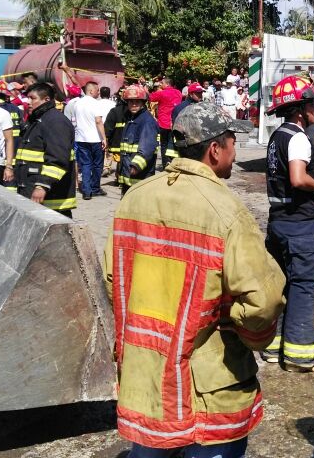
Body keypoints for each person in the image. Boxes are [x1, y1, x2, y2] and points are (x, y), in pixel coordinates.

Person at [105, 101, 285, 458]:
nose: (235, 153)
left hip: (148, 378)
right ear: (215, 149)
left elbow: (114, 280)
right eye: (233, 142)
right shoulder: (226, 211)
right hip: (208, 385)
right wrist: (246, 334)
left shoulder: (134, 198)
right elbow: (263, 301)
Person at [262, 75, 314, 372]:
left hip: (279, 222)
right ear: (300, 109)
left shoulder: (277, 136)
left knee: (281, 284)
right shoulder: (297, 137)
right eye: (311, 104)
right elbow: (297, 178)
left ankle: (273, 347)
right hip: (300, 224)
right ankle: (300, 355)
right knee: (304, 286)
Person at [15, 82, 77, 216]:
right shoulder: (38, 119)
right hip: (32, 190)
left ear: (46, 100)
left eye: (33, 98)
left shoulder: (55, 121)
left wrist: (42, 185)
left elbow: (58, 159)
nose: (28, 102)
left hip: (50, 196)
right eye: (28, 98)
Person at [116, 85, 159, 194]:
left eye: (137, 102)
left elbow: (147, 148)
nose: (133, 104)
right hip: (128, 174)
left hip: (140, 176)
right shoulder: (131, 118)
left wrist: (136, 166)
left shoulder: (146, 121)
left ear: (143, 102)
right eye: (131, 102)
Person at [72, 81, 108, 200]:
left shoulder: (77, 104)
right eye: (97, 90)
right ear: (91, 91)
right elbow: (98, 121)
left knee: (86, 164)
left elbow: (74, 121)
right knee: (97, 165)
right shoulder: (95, 104)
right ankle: (95, 188)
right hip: (95, 139)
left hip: (81, 139)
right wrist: (104, 138)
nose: (98, 92)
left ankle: (87, 191)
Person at [149, 77, 183, 164]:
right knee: (173, 144)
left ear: (167, 84)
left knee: (164, 144)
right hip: (175, 122)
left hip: (163, 123)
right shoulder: (178, 92)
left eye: (162, 83)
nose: (160, 84)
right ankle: (173, 162)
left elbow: (150, 98)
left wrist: (149, 88)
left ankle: (165, 164)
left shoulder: (161, 93)